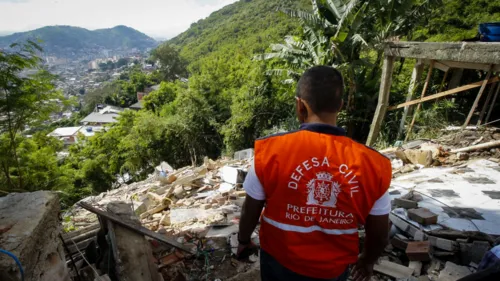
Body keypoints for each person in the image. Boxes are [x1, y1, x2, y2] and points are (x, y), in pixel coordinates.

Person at [237, 66, 392, 281]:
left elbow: (250, 209)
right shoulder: (373, 164)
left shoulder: (271, 151)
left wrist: (243, 241)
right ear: (340, 106)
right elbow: (379, 232)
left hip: (279, 262)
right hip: (332, 270)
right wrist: (366, 261)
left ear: (300, 106)